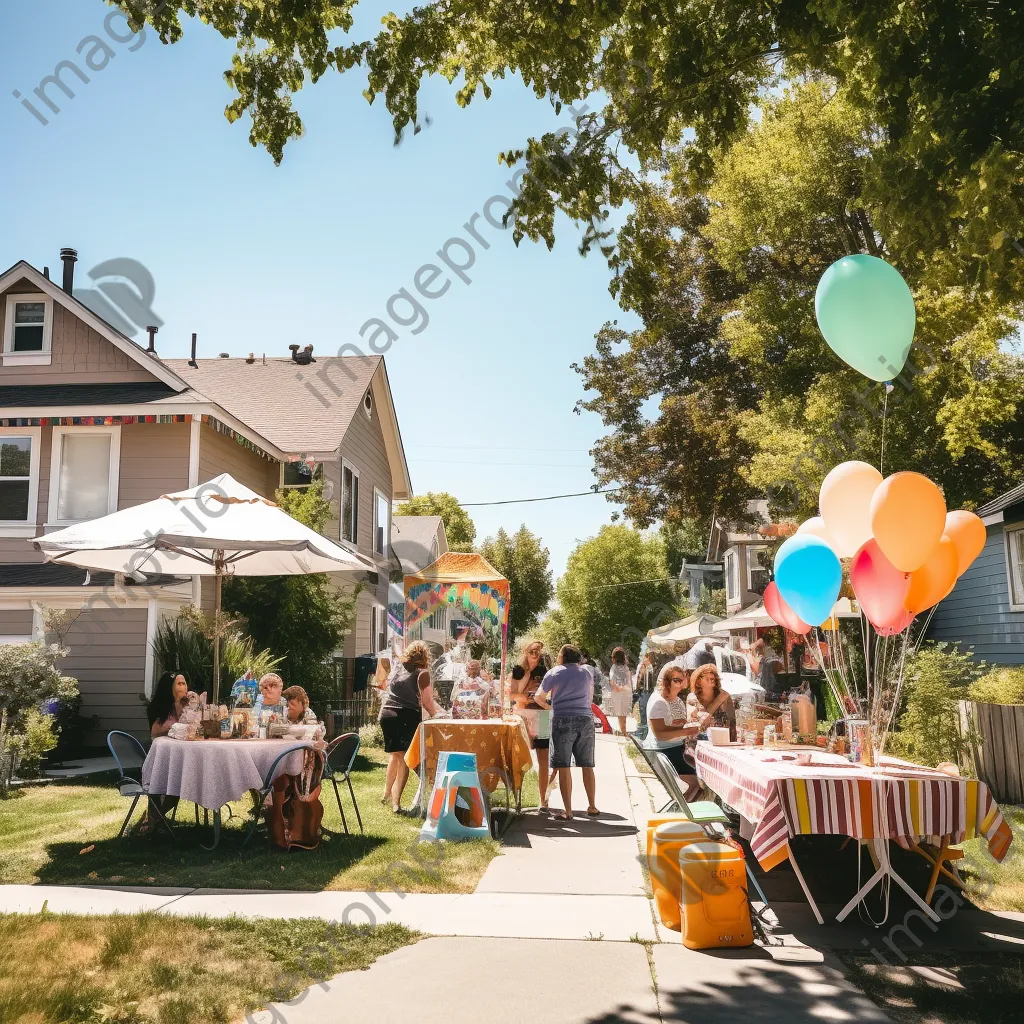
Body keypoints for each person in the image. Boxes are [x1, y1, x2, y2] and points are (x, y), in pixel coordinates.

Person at [534, 644, 599, 821]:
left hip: (562, 719)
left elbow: (539, 696)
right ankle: (592, 806)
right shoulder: (586, 672)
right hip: (585, 719)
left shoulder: (554, 672)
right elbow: (590, 696)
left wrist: (550, 706)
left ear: (561, 656)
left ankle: (568, 811)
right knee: (587, 764)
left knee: (563, 766)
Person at [379, 640, 441, 812]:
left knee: (395, 755)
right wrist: (438, 715)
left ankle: (386, 794)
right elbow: (428, 702)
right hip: (405, 715)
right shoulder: (423, 673)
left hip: (387, 714)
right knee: (405, 759)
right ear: (425, 656)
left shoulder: (399, 668)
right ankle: (396, 804)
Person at [642, 665, 701, 799]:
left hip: (676, 748)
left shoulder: (677, 700)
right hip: (662, 751)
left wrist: (686, 724)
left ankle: (682, 808)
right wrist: (686, 731)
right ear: (665, 681)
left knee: (704, 773)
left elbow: (674, 724)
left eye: (682, 680)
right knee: (698, 782)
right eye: (676, 680)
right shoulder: (659, 702)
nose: (680, 684)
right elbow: (660, 735)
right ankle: (682, 811)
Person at [508, 640, 553, 809]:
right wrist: (520, 697)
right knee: (519, 757)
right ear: (525, 651)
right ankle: (517, 799)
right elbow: (511, 695)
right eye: (532, 651)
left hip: (541, 716)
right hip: (521, 716)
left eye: (538, 651)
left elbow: (550, 692)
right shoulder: (518, 670)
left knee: (543, 757)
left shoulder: (544, 671)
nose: (535, 654)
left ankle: (543, 800)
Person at [689, 663, 737, 741]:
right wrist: (717, 702)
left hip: (719, 740)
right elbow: (693, 724)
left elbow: (732, 725)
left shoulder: (724, 697)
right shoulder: (692, 698)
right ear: (698, 681)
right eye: (705, 676)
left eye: (712, 674)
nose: (711, 677)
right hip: (697, 742)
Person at [148, 671, 188, 738]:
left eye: (184, 684)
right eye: (179, 684)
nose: (184, 687)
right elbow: (154, 732)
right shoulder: (160, 708)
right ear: (169, 687)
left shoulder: (187, 704)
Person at [606, 646, 634, 736]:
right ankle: (624, 731)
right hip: (626, 692)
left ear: (614, 658)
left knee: (620, 713)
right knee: (623, 714)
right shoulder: (626, 668)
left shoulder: (613, 667)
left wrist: (617, 688)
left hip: (617, 693)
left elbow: (612, 680)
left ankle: (623, 731)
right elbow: (628, 680)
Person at [634, 652, 656, 739]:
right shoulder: (644, 666)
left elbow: (641, 679)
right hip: (643, 691)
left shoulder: (649, 667)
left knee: (645, 711)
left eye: (645, 657)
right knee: (643, 711)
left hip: (646, 692)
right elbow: (638, 678)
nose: (644, 659)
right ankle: (644, 732)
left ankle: (645, 734)